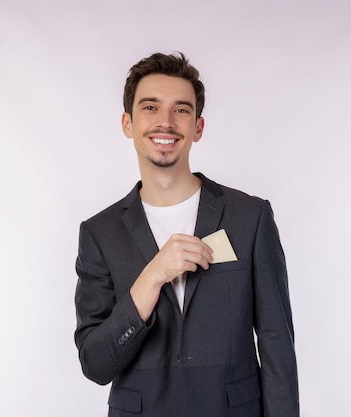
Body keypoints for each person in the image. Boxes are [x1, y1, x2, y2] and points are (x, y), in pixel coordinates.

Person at [74, 52, 299, 417]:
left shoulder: (250, 217)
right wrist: (151, 277)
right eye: (150, 107)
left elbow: (277, 347)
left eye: (181, 110)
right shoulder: (99, 233)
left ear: (198, 127)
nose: (165, 122)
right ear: (127, 123)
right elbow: (95, 364)